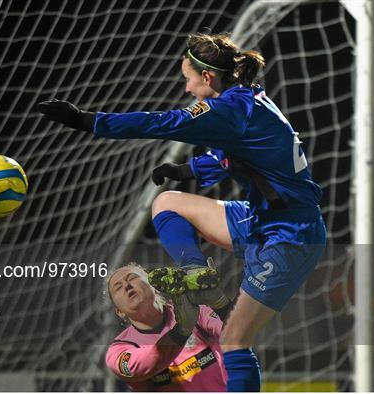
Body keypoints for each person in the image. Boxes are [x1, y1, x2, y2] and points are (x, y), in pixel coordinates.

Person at [38, 32, 327, 392]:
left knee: (234, 340)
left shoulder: (226, 109)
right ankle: (195, 272)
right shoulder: (245, 100)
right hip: (260, 217)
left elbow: (163, 122)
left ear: (207, 77)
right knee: (167, 202)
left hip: (291, 234)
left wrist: (89, 121)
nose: (187, 88)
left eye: (188, 79)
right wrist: (185, 172)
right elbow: (239, 154)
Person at [104, 263, 232, 391]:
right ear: (120, 311)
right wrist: (181, 332)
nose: (127, 286)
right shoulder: (119, 349)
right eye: (118, 287)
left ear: (154, 285)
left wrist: (222, 305)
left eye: (132, 278)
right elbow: (143, 364)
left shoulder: (197, 312)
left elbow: (235, 334)